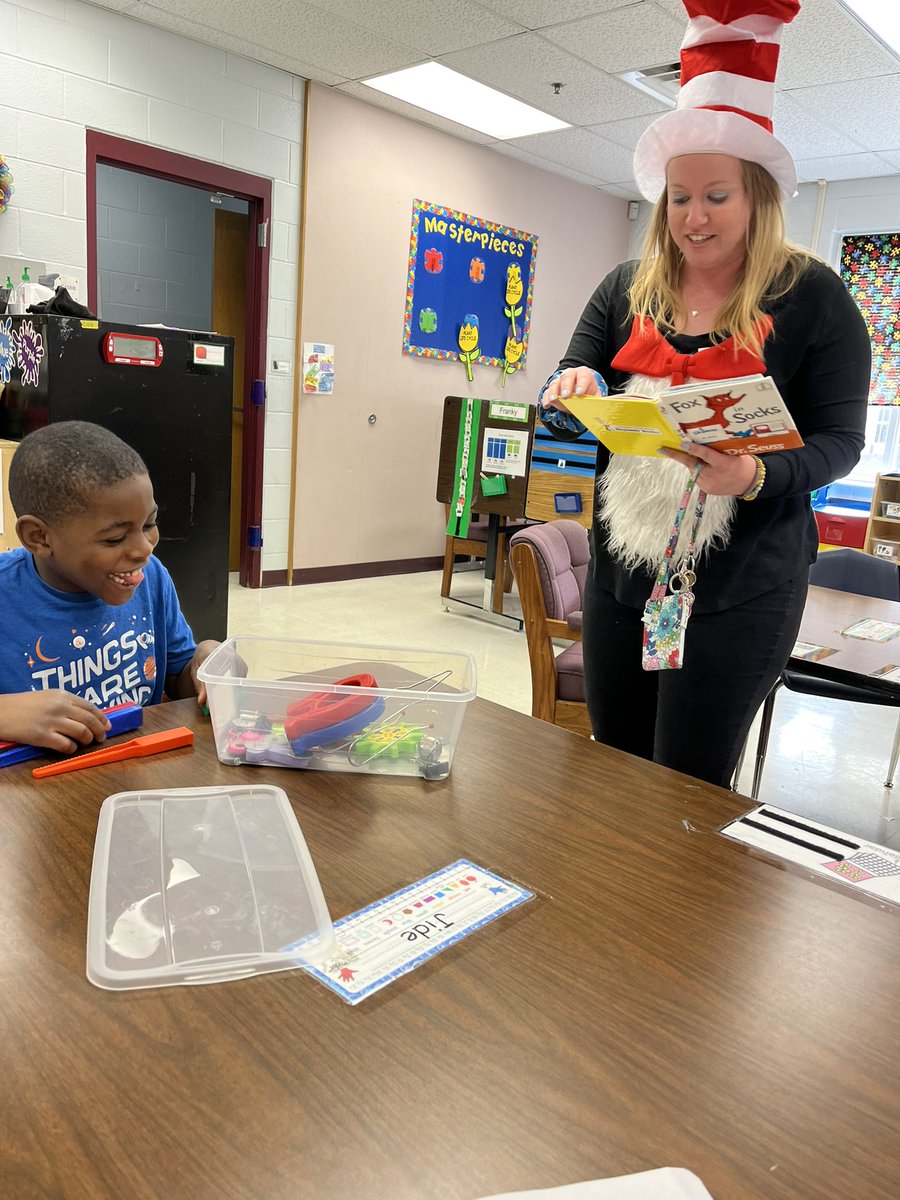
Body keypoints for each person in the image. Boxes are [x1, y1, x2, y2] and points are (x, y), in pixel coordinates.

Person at [538, 0, 871, 788]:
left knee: (686, 782)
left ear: (756, 195)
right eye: (678, 197)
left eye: (716, 196)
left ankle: (686, 913)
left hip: (743, 585)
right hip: (626, 575)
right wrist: (572, 384)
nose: (693, 217)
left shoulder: (814, 296)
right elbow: (570, 377)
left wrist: (754, 474)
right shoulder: (627, 287)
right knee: (616, 765)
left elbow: (840, 442)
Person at [0, 421, 219, 753]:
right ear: (38, 537)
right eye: (115, 538)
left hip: (132, 775)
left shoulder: (151, 577)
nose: (144, 549)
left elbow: (177, 679)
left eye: (149, 524)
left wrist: (206, 666)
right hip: (32, 791)